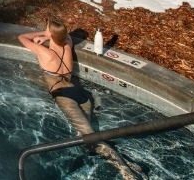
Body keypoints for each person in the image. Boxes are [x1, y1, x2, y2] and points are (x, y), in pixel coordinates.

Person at [19, 19, 145, 180]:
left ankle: (125, 171)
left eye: (47, 29)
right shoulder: (67, 45)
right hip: (80, 94)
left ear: (50, 33)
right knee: (87, 134)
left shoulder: (46, 54)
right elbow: (66, 37)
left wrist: (43, 35)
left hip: (64, 96)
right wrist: (49, 36)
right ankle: (125, 161)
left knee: (89, 138)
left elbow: (22, 38)